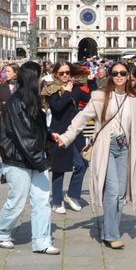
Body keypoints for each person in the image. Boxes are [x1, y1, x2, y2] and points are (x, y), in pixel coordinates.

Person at [53, 60, 136, 248]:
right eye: (115, 73)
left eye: (123, 73)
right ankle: (111, 234)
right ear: (110, 76)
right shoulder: (100, 96)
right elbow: (82, 118)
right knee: (112, 191)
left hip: (125, 148)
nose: (119, 76)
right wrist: (66, 137)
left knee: (119, 193)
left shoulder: (135, 100)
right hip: (106, 147)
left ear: (128, 77)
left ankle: (109, 228)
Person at [0, 61, 59, 254]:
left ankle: (41, 241)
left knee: (41, 200)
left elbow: (35, 130)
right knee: (18, 200)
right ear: (32, 79)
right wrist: (42, 162)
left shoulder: (32, 101)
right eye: (38, 77)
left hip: (34, 157)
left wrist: (48, 136)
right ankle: (1, 230)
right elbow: (23, 137)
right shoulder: (16, 103)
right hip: (18, 159)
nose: (41, 81)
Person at [43, 62, 90, 213]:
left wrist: (89, 82)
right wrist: (68, 92)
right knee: (59, 169)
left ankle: (72, 194)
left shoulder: (74, 88)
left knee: (82, 164)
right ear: (56, 74)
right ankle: (57, 201)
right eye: (62, 73)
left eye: (67, 72)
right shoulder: (51, 89)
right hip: (59, 133)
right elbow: (57, 107)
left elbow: (89, 97)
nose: (65, 75)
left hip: (75, 132)